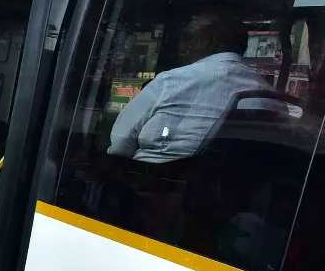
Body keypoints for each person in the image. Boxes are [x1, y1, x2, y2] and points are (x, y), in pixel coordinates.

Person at [108, 10, 288, 163]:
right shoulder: (273, 100)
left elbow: (120, 146)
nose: (182, 47)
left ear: (211, 42)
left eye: (188, 38)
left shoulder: (170, 82)